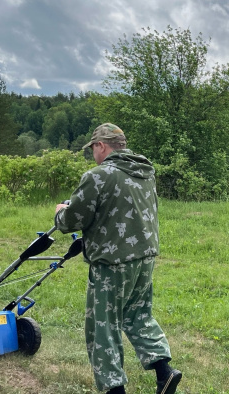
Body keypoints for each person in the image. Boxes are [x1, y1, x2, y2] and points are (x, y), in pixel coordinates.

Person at [54, 123, 182, 394]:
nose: (93, 155)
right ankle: (164, 372)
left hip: (113, 262)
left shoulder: (98, 176)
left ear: (101, 145)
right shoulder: (145, 172)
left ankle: (114, 389)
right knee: (138, 315)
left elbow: (73, 219)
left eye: (93, 149)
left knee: (103, 326)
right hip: (145, 257)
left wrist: (60, 211)